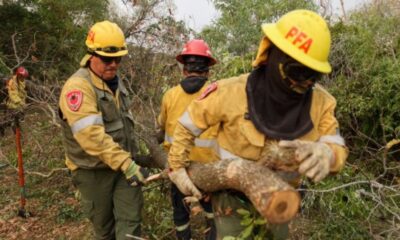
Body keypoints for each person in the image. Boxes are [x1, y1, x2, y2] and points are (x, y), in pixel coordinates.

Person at [167, 9, 348, 239]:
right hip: (231, 201)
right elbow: (186, 125)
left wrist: (328, 154)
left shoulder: (322, 104)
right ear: (272, 55)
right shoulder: (230, 92)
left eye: (313, 75)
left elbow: (337, 146)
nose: (304, 83)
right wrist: (177, 167)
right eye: (298, 71)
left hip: (281, 200)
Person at [58, 20, 148, 239]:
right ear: (92, 55)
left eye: (118, 59)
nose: (114, 65)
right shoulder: (78, 87)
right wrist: (127, 164)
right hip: (93, 172)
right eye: (108, 59)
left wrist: (131, 159)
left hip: (122, 167)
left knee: (131, 223)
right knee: (104, 229)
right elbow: (91, 136)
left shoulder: (116, 82)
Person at [158, 39, 218, 240]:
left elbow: (161, 126)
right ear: (208, 71)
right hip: (209, 170)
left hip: (178, 168)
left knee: (180, 213)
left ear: (184, 70)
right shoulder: (217, 94)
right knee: (213, 214)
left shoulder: (169, 96)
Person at [0, 66, 29, 136]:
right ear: (19, 75)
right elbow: (13, 95)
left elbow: (23, 93)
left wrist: (24, 103)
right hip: (12, 105)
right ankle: (16, 134)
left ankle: (18, 134)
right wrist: (21, 103)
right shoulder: (12, 82)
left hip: (19, 105)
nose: (23, 78)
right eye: (22, 76)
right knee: (11, 121)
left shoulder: (22, 81)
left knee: (17, 120)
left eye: (24, 77)